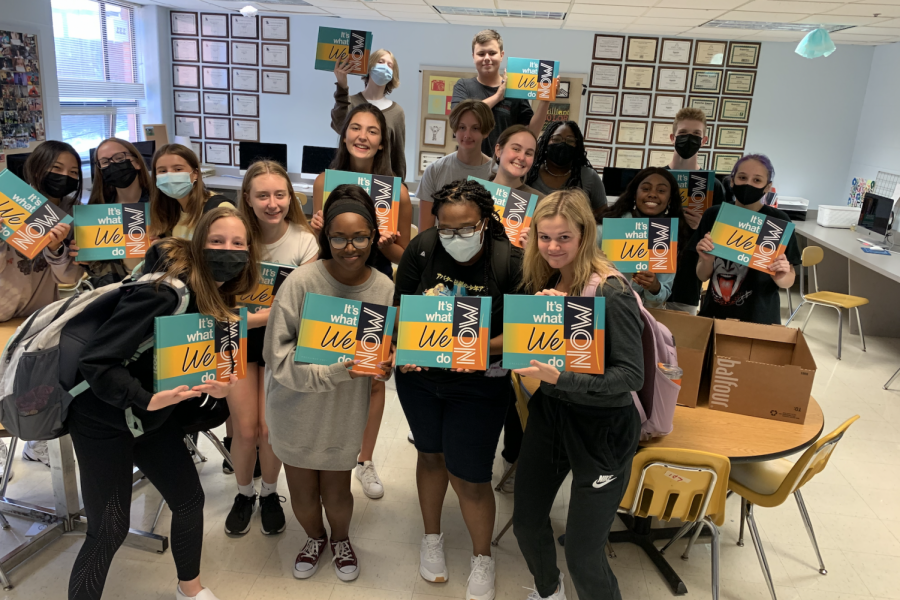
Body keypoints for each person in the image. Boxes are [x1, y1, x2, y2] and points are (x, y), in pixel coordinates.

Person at [67, 206, 259, 600]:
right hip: (102, 417)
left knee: (189, 500)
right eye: (217, 241)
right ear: (198, 243)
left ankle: (189, 589)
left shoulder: (217, 299)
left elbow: (184, 371)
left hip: (154, 418)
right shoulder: (164, 293)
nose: (229, 250)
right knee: (109, 527)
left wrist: (214, 391)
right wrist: (147, 398)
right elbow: (96, 361)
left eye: (238, 243)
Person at [394, 179, 523, 600]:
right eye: (446, 229)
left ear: (485, 222)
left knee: (470, 475)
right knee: (430, 456)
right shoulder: (423, 248)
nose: (455, 238)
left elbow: (524, 332)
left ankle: (482, 557)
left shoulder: (511, 261)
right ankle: (432, 538)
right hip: (420, 379)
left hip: (480, 384)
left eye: (466, 229)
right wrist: (407, 344)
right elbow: (402, 310)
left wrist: (474, 347)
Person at [512, 189, 643, 600]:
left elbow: (630, 375)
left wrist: (561, 377)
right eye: (545, 237)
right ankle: (548, 591)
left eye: (564, 238)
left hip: (604, 427)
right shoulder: (553, 278)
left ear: (585, 234)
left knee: (584, 553)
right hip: (552, 415)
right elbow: (568, 349)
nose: (552, 247)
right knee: (527, 521)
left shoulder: (612, 291)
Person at [263, 185, 394, 582]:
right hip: (293, 408)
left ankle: (340, 539)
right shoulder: (301, 282)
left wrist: (384, 366)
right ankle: (315, 537)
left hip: (342, 411)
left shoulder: (384, 289)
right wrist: (342, 370)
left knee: (337, 492)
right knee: (302, 493)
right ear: (326, 237)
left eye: (360, 237)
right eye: (338, 236)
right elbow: (277, 359)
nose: (349, 247)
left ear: (374, 237)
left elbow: (379, 353)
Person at [312, 103, 412, 498]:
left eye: (373, 130)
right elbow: (316, 245)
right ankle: (325, 447)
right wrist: (315, 226)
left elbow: (405, 259)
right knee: (327, 369)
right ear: (344, 133)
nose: (363, 136)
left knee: (371, 377)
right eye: (356, 127)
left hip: (374, 284)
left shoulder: (398, 191)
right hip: (330, 284)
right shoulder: (323, 182)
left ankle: (364, 460)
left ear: (383, 141)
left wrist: (387, 245)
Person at [222, 160, 319, 537]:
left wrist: (251, 319)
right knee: (245, 431)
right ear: (247, 197)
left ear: (290, 196)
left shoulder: (304, 240)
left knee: (269, 429)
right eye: (262, 195)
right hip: (236, 339)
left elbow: (301, 307)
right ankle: (243, 494)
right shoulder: (232, 234)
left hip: (280, 339)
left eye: (280, 194)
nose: (272, 203)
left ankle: (269, 493)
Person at [0, 140, 84, 470]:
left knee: (36, 382)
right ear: (37, 169)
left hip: (38, 316)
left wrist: (58, 249)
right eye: (56, 169)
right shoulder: (9, 206)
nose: (65, 177)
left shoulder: (72, 217)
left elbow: (69, 277)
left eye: (73, 172)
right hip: (4, 308)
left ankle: (36, 443)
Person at [693, 154, 800, 325]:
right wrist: (707, 260)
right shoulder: (715, 215)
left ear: (767, 187)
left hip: (760, 317)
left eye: (757, 180)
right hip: (714, 314)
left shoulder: (776, 221)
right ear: (732, 180)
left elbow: (788, 280)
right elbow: (702, 275)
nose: (748, 184)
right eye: (742, 177)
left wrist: (781, 274)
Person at [597, 167, 690, 308]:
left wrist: (654, 287)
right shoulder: (607, 227)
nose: (652, 194)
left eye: (661, 191)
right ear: (634, 194)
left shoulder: (667, 235)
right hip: (603, 305)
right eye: (646, 189)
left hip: (642, 315)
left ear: (670, 199)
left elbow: (662, 294)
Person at [665, 107, 727, 315]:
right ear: (673, 137)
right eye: (683, 134)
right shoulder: (654, 179)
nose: (688, 139)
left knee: (683, 341)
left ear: (704, 140)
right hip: (651, 270)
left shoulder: (715, 187)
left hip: (688, 278)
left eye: (696, 135)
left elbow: (721, 239)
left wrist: (701, 226)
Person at [451, 29, 550, 156]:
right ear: (473, 56)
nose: (487, 58)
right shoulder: (463, 86)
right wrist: (498, 96)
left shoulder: (514, 89)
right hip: (470, 166)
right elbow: (459, 118)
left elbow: (531, 133)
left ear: (501, 55)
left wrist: (545, 101)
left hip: (503, 168)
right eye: (481, 54)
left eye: (492, 53)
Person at [70, 137, 152, 287]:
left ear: (137, 162)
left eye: (119, 158)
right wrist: (88, 259)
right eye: (105, 162)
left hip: (156, 291)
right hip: (113, 295)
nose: (113, 165)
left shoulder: (161, 206)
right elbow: (98, 273)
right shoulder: (95, 213)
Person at [417, 99, 494, 231]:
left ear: (485, 132)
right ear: (454, 130)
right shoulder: (435, 170)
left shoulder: (496, 173)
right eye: (462, 127)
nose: (467, 135)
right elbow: (424, 232)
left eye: (475, 128)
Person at [331, 49, 406, 180]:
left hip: (382, 180)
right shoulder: (349, 102)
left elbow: (397, 154)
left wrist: (399, 185)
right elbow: (339, 126)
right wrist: (342, 87)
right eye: (381, 61)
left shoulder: (396, 112)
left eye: (390, 65)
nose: (384, 67)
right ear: (369, 66)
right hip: (347, 176)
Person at [149, 143, 234, 241]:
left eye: (178, 169)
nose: (170, 175)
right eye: (163, 171)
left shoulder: (219, 209)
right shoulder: (170, 210)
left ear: (195, 173)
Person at [525, 121, 607, 215]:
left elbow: (603, 215)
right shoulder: (529, 173)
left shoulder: (589, 176)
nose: (563, 144)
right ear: (546, 141)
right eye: (556, 139)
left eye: (570, 141)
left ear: (577, 145)